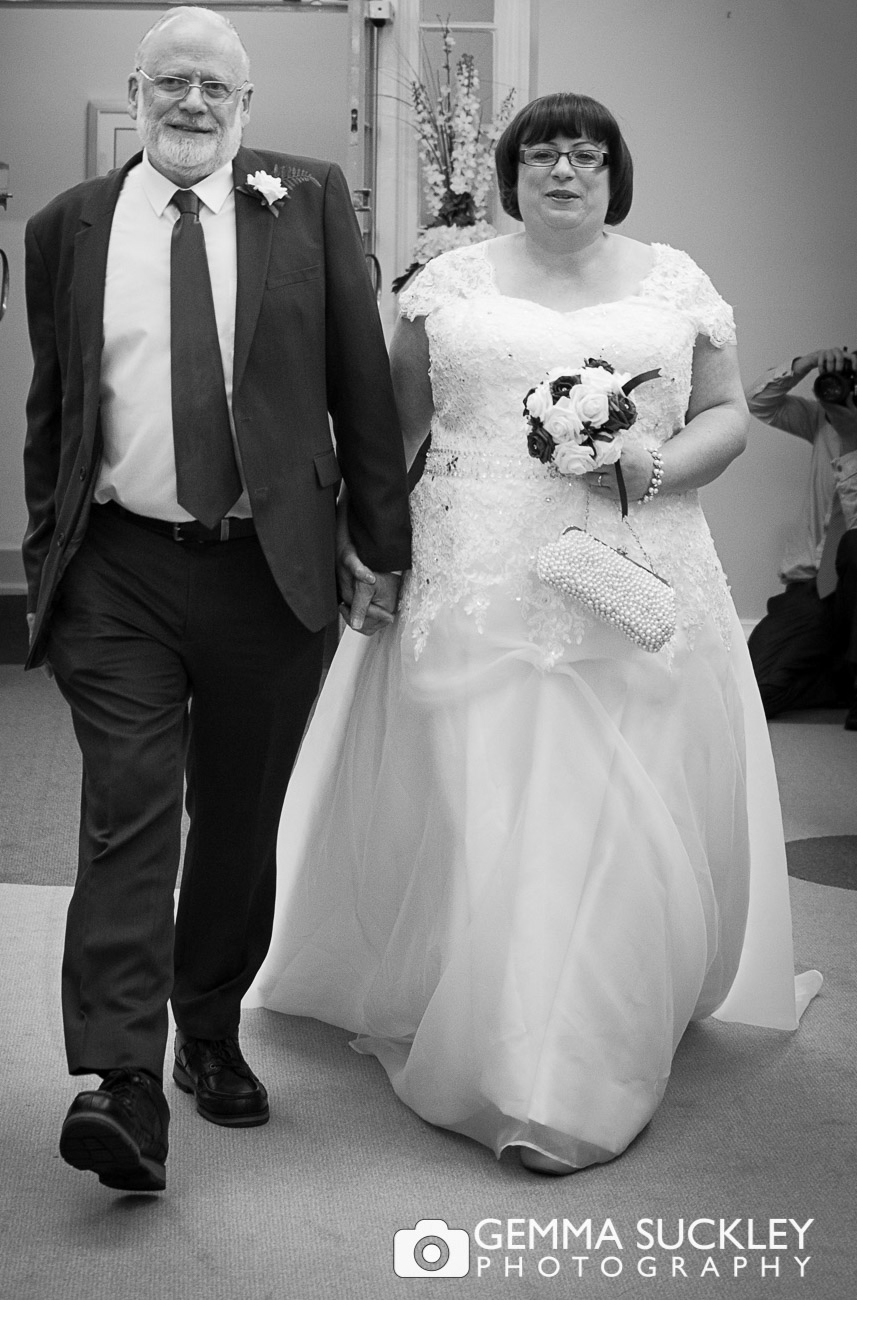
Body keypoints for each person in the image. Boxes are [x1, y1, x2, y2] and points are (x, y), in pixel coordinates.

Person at [252, 93, 821, 1174]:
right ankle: (512, 1044)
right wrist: (357, 537)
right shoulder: (447, 283)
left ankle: (576, 1051)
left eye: (586, 155)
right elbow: (395, 421)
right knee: (485, 797)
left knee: (618, 797)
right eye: (542, 154)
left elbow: (726, 414)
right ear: (509, 173)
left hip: (635, 570)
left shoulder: (672, 280)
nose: (563, 171)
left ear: (614, 173)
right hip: (475, 573)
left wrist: (646, 464)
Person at [21, 6, 410, 1192]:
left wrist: (377, 547)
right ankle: (119, 1081)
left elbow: (359, 385)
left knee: (236, 820)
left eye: (215, 88)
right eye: (170, 82)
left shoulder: (307, 199)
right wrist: (53, 547)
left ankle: (208, 1025)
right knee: (128, 809)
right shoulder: (65, 228)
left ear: (245, 105)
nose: (191, 103)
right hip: (119, 571)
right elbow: (59, 404)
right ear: (132, 90)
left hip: (266, 566)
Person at [745, 347, 856, 720]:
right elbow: (760, 403)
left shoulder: (847, 428)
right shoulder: (824, 422)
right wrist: (806, 364)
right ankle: (843, 677)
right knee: (755, 691)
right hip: (813, 587)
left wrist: (854, 441)